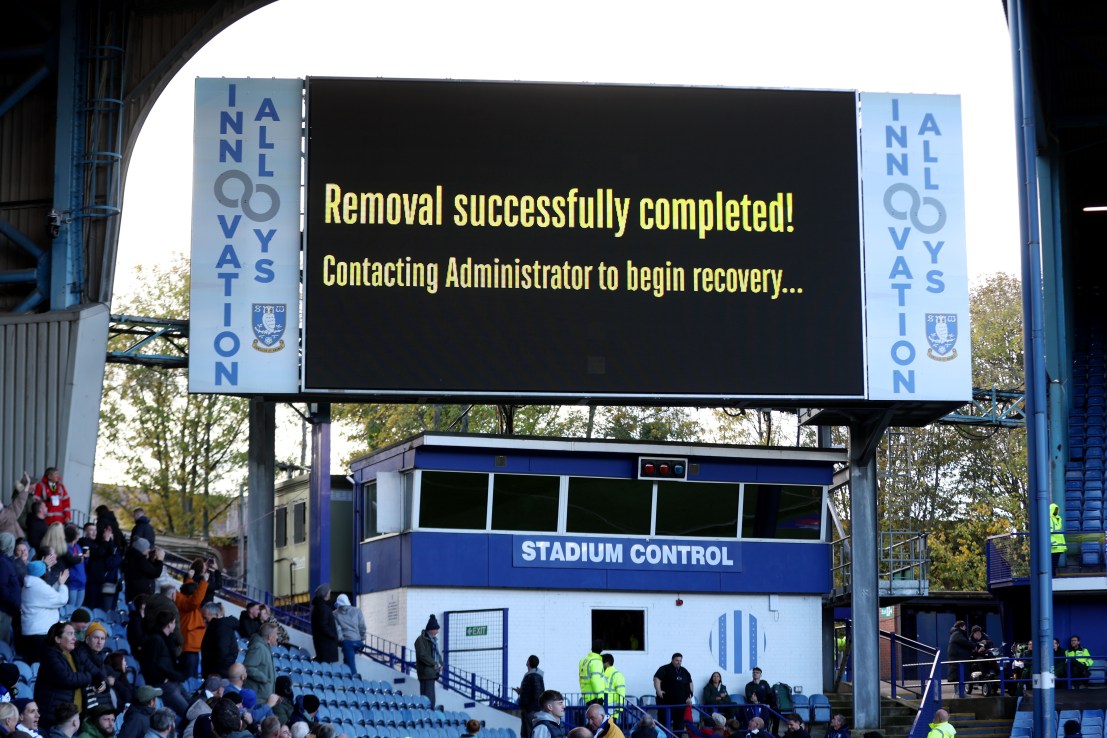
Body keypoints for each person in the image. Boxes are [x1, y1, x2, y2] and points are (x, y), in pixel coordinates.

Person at [33, 623, 102, 730]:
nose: (74, 638)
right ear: (57, 639)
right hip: (54, 717)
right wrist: (89, 677)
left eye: (74, 634)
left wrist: (101, 681)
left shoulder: (75, 654)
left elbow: (96, 671)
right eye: (70, 634)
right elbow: (68, 679)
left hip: (73, 715)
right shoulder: (50, 656)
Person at [138, 611, 190, 717]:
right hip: (163, 684)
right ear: (169, 624)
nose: (175, 626)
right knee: (188, 713)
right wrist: (162, 679)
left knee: (195, 707)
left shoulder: (166, 639)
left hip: (173, 682)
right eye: (174, 622)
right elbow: (150, 665)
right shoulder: (155, 640)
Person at [20, 560, 70, 660]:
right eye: (45, 569)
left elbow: (49, 594)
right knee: (40, 667)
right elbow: (61, 599)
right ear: (42, 573)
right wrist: (62, 585)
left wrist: (58, 583)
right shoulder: (38, 587)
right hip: (40, 635)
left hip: (32, 633)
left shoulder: (31, 584)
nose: (47, 571)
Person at [176, 569, 210, 679]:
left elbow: (188, 589)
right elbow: (195, 600)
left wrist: (189, 578)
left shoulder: (184, 600)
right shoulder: (187, 604)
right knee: (189, 680)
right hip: (188, 650)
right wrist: (204, 582)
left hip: (191, 649)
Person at [653, 653, 693, 731]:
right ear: (672, 660)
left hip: (680, 704)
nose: (679, 662)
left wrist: (689, 696)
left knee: (679, 726)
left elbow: (690, 683)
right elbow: (656, 678)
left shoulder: (684, 671)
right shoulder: (664, 668)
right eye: (677, 660)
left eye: (680, 661)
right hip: (665, 702)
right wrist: (658, 691)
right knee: (663, 725)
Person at [201, 602, 240, 677]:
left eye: (205, 618)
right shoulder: (215, 628)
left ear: (216, 615)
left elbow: (223, 653)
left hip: (219, 675)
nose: (203, 621)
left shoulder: (221, 629)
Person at [242, 622, 279, 701]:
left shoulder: (265, 647)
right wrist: (264, 678)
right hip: (257, 699)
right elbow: (247, 667)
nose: (277, 637)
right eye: (276, 634)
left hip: (262, 698)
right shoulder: (258, 647)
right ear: (269, 637)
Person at [333, 594, 366, 676]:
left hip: (347, 642)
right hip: (358, 641)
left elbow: (338, 629)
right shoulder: (357, 611)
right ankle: (347, 679)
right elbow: (362, 626)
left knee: (351, 664)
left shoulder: (335, 614)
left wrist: (341, 640)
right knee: (347, 661)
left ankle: (355, 680)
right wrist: (362, 638)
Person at [415, 615, 443, 708]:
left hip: (431, 673)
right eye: (436, 629)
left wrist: (441, 663)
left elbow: (437, 654)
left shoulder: (433, 640)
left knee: (431, 698)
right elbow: (422, 655)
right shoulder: (420, 640)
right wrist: (434, 663)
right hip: (426, 673)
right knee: (427, 699)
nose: (437, 632)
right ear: (431, 629)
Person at [514, 656, 544, 738]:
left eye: (527, 660)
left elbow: (536, 693)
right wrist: (521, 691)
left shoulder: (532, 676)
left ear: (529, 662)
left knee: (528, 732)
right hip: (530, 709)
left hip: (530, 710)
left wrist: (529, 708)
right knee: (527, 732)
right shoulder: (535, 675)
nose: (526, 662)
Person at [309, 584, 340, 664]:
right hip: (326, 646)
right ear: (325, 594)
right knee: (326, 669)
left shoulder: (318, 607)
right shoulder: (323, 608)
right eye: (329, 592)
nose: (330, 593)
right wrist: (333, 635)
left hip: (324, 645)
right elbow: (323, 625)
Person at [0, 533, 20, 644]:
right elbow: (2, 588)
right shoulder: (2, 562)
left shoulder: (6, 561)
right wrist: (13, 603)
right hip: (3, 611)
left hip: (7, 610)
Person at [0, 472, 31, 540]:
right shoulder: (8, 515)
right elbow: (20, 501)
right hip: (14, 540)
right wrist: (27, 484)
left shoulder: (7, 513)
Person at [945, 622, 973, 688]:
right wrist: (974, 645)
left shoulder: (955, 633)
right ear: (961, 627)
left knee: (959, 677)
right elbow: (965, 643)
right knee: (959, 676)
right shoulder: (957, 634)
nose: (965, 628)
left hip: (957, 659)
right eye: (964, 626)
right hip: (958, 659)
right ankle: (959, 693)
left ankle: (960, 693)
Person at [578, 640, 605, 706]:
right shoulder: (596, 661)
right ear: (602, 649)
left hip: (586, 695)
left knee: (591, 716)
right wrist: (599, 697)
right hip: (595, 697)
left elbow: (580, 678)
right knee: (599, 715)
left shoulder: (583, 660)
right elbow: (595, 680)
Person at [1050, 503, 1066, 574]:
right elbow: (1049, 532)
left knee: (1055, 564)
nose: (1057, 511)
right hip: (1053, 546)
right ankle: (1053, 577)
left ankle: (1054, 575)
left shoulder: (1058, 519)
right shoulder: (1049, 519)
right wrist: (1053, 543)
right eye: (1055, 509)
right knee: (1052, 564)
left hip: (1059, 546)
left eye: (1057, 510)